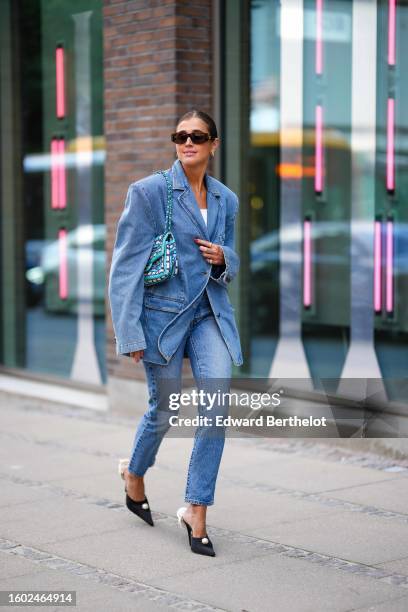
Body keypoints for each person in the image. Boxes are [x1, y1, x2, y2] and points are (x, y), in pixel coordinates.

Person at [108, 109, 243, 557]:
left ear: (213, 145)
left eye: (198, 136)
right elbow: (125, 265)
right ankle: (134, 473)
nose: (188, 143)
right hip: (162, 320)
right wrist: (128, 333)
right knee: (163, 411)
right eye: (181, 136)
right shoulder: (150, 192)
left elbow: (231, 259)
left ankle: (196, 508)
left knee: (215, 409)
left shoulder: (226, 199)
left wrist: (224, 257)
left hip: (209, 316)